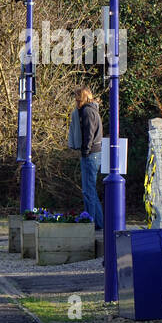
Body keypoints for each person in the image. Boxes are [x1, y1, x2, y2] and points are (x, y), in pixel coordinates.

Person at [69, 87, 104, 229]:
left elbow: (88, 134)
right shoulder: (92, 110)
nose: (76, 99)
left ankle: (91, 223)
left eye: (77, 96)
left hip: (90, 154)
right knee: (91, 190)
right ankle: (98, 223)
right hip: (94, 153)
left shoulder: (87, 111)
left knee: (88, 190)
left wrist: (85, 151)